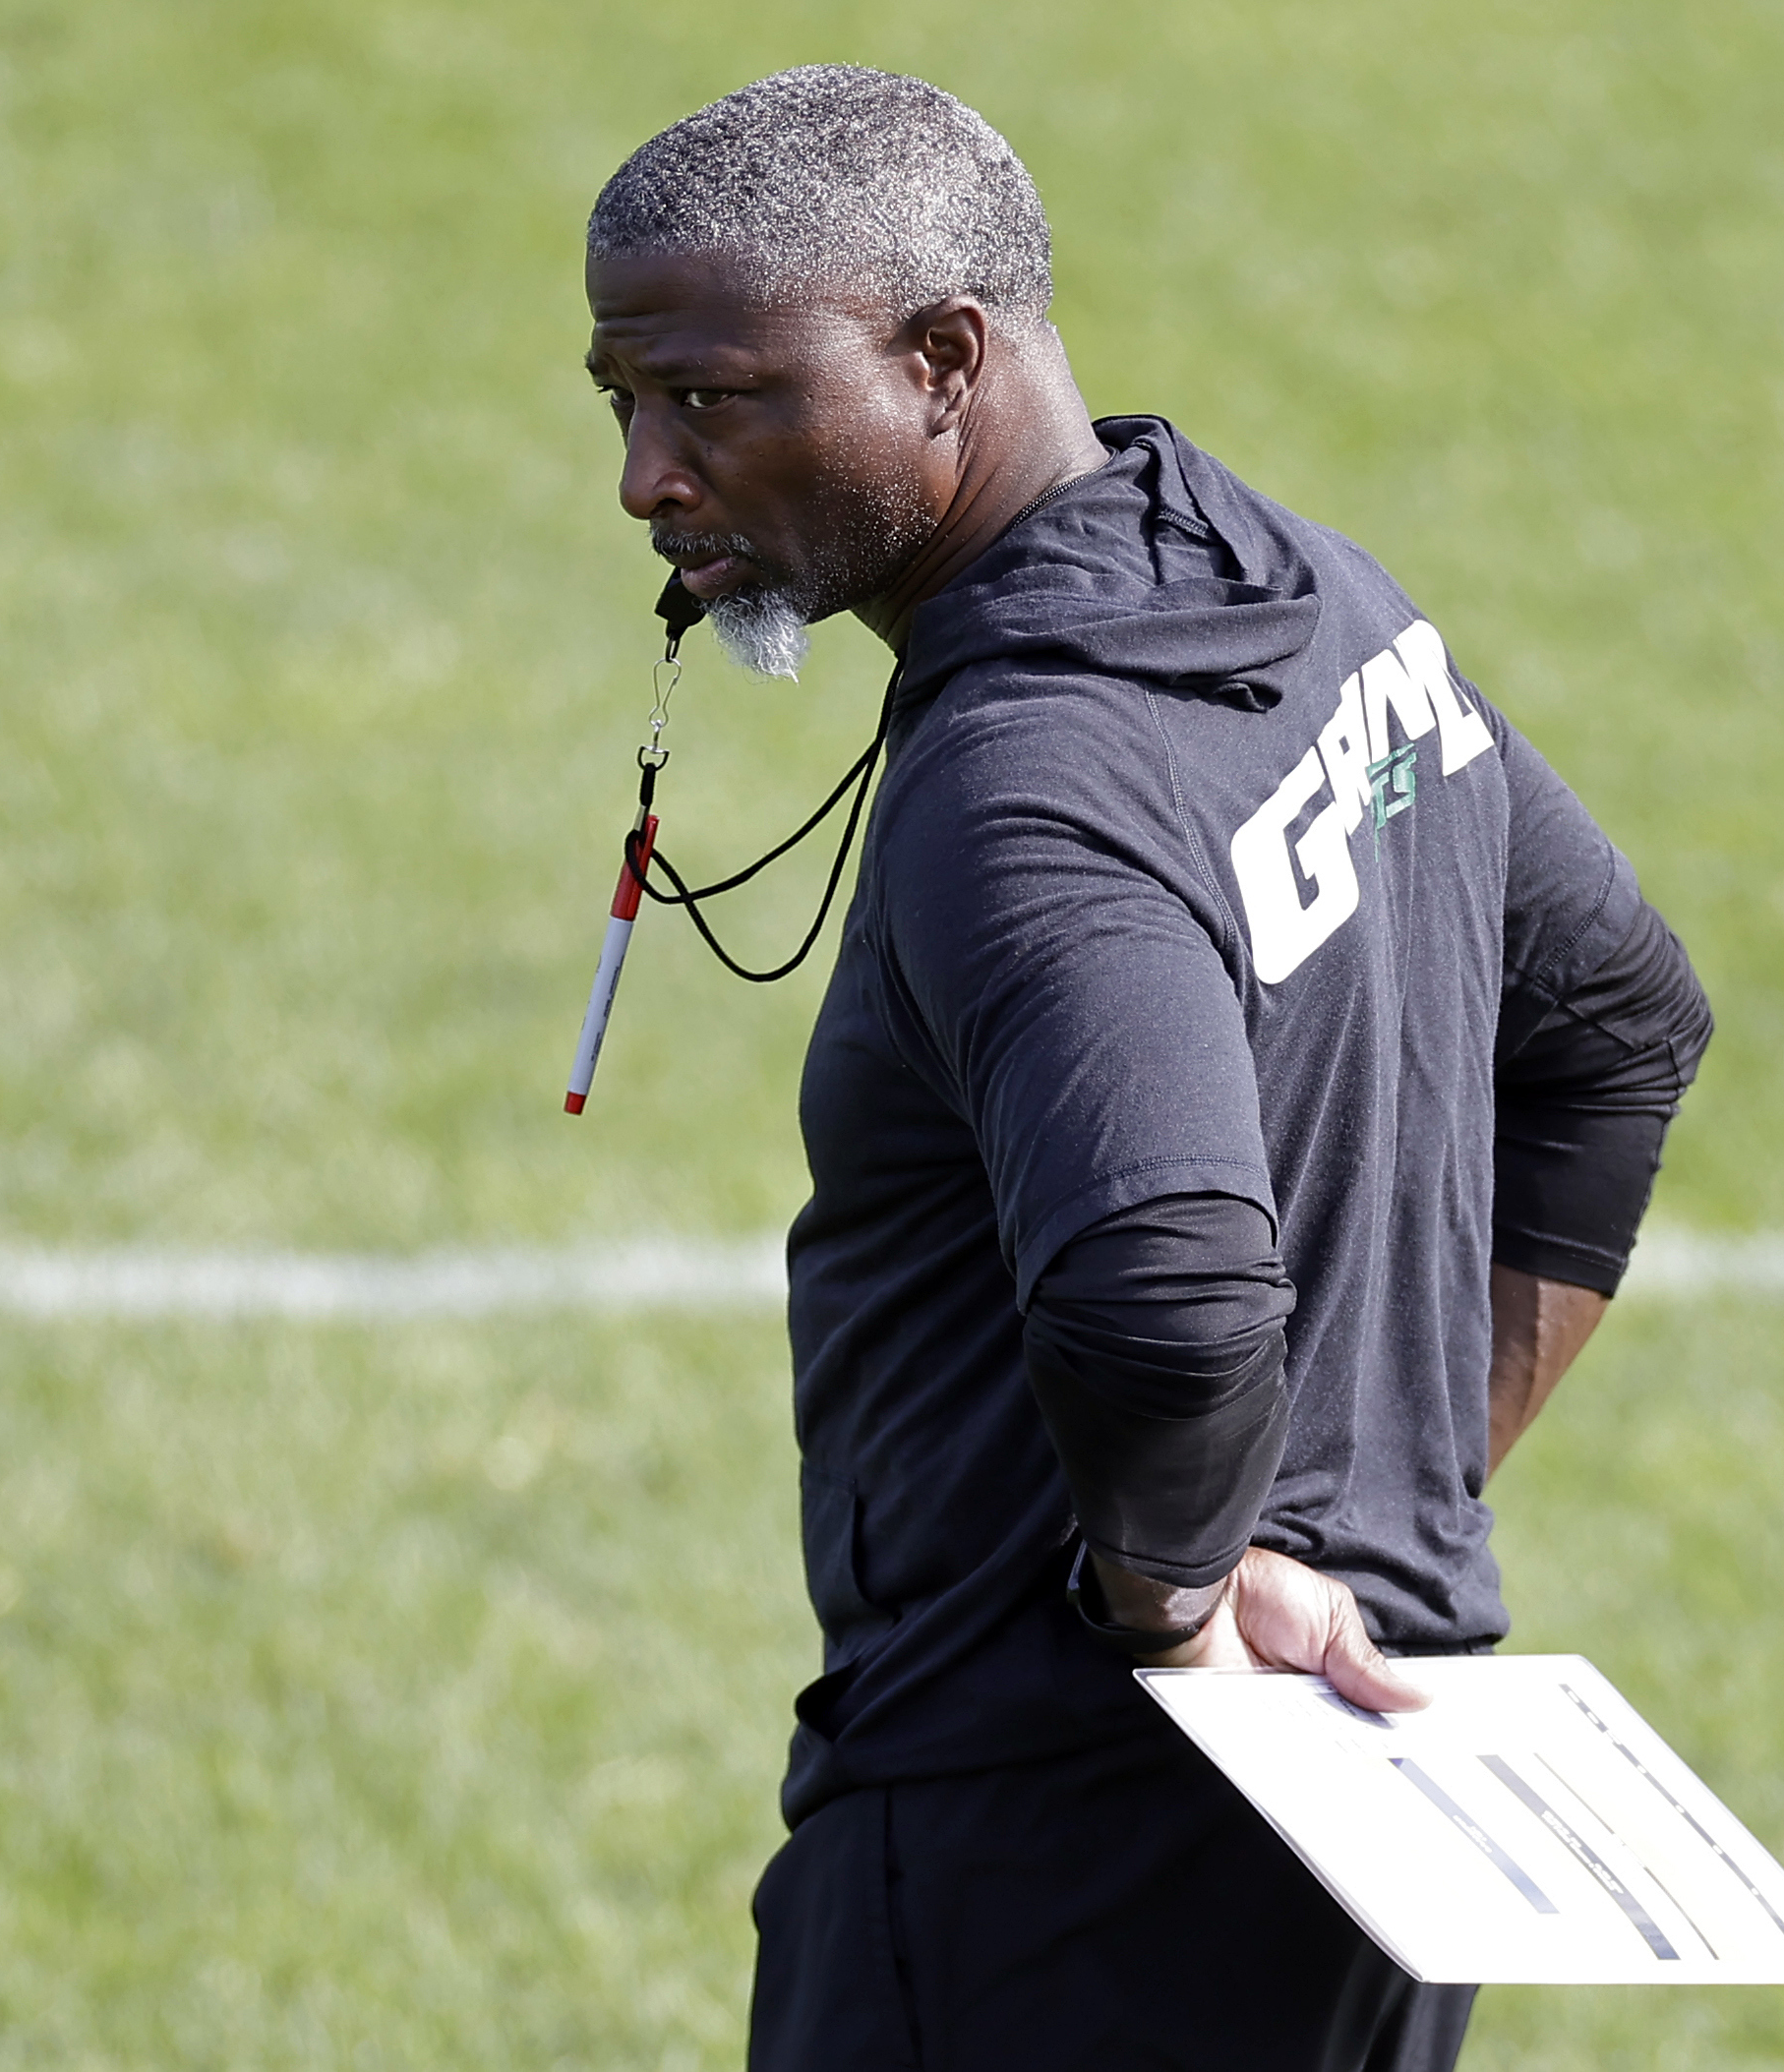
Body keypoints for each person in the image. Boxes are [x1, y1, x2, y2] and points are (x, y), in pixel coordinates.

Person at [582, 66, 1712, 2072]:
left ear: (942, 360)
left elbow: (1167, 1291)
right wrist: (1392, 1511)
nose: (649, 478)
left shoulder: (1025, 790)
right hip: (1372, 1821)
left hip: (1047, 1851)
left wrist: (1177, 1612)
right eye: (627, 404)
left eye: (715, 397)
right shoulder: (1304, 595)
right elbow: (1619, 1020)